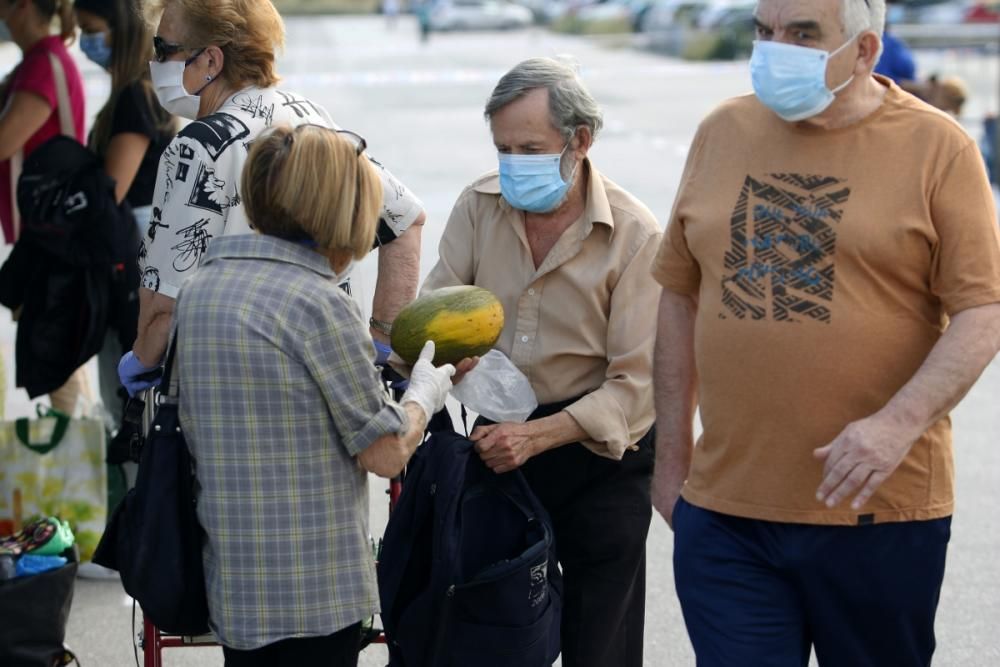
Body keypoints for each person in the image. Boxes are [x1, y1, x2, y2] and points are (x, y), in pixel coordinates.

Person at [651, 1, 1000, 665]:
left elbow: (984, 310)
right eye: (764, 31)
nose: (775, 49)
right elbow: (679, 293)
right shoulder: (722, 131)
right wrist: (671, 459)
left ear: (865, 50)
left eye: (802, 34)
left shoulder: (939, 149)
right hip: (729, 516)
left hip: (878, 513)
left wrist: (897, 424)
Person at [176, 124, 459, 666]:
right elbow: (385, 451)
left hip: (234, 583)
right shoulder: (318, 305)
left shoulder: (201, 290)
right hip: (312, 595)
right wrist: (428, 386)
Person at [422, 56, 661, 667]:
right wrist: (454, 361)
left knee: (600, 640)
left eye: (528, 147)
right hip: (498, 440)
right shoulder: (479, 207)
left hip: (598, 449)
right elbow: (433, 313)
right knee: (488, 629)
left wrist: (538, 437)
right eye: (503, 148)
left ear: (579, 141)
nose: (511, 165)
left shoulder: (634, 235)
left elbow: (637, 385)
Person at [118, 0, 427, 396]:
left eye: (163, 49)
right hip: (333, 388)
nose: (154, 62)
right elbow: (406, 220)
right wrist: (382, 344)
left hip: (230, 399)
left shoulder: (197, 147)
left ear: (211, 60)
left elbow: (165, 307)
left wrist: (139, 362)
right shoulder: (311, 117)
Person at [74, 0, 178, 426]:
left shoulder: (136, 95)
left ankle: (137, 490)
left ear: (121, 30)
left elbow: (111, 190)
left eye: (92, 29)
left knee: (128, 399)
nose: (86, 41)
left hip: (131, 261)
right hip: (139, 254)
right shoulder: (136, 91)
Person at [0, 0, 89, 414]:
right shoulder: (38, 61)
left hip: (50, 237)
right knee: (59, 356)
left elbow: (4, 141)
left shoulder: (43, 64)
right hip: (45, 235)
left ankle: (71, 463)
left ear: (20, 6)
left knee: (55, 359)